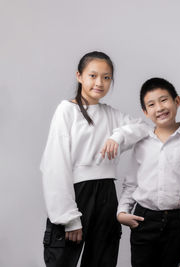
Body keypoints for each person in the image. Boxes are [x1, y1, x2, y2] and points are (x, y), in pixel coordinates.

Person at [41, 51, 147, 267]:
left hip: (106, 194)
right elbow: (55, 166)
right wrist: (69, 218)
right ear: (79, 76)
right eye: (93, 76)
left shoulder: (111, 114)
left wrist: (118, 136)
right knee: (62, 260)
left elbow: (144, 127)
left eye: (106, 77)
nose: (100, 82)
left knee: (103, 261)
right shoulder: (66, 111)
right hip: (76, 195)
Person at [113, 77, 180, 267]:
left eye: (164, 100)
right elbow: (131, 183)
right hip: (145, 220)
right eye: (151, 105)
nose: (159, 108)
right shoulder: (142, 142)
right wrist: (122, 211)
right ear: (146, 112)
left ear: (176, 101)